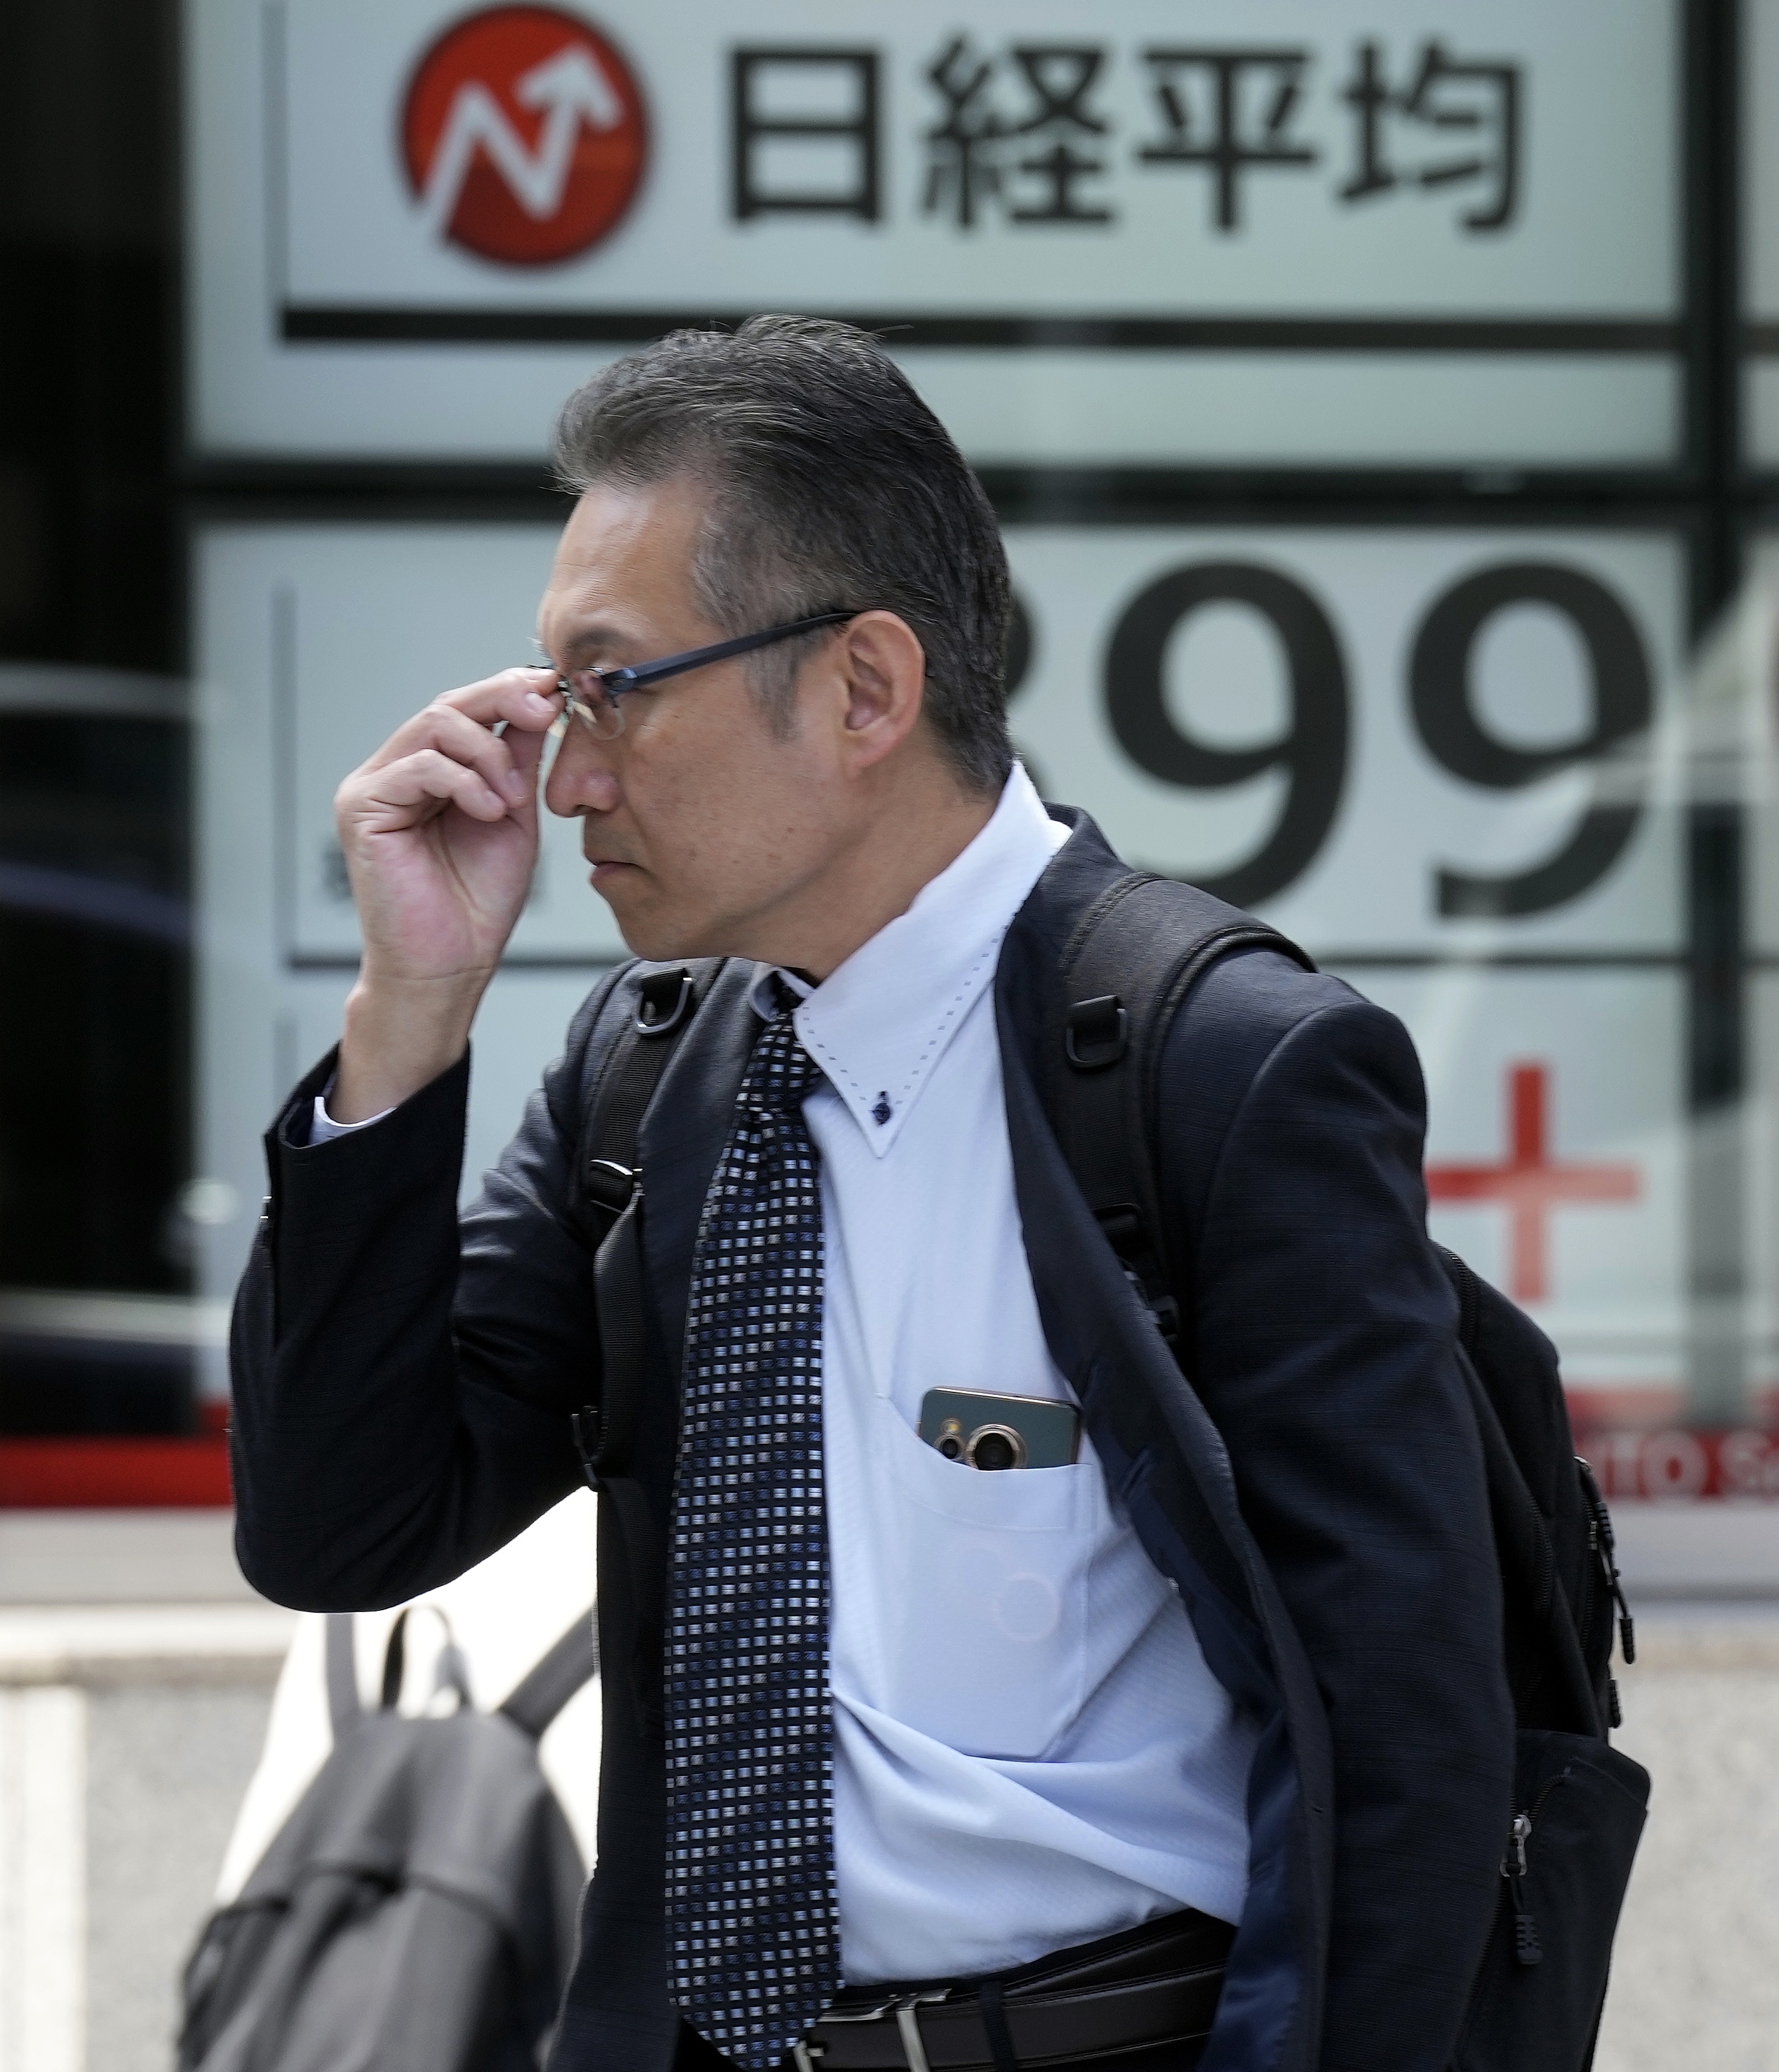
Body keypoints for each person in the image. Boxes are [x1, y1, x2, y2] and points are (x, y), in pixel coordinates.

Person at [226, 315, 1511, 2072]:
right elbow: (340, 1528)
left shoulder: (1218, 1071)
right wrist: (410, 1013)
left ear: (863, 690)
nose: (563, 773)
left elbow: (1404, 1743)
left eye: (613, 686)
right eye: (549, 696)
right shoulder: (648, 1072)